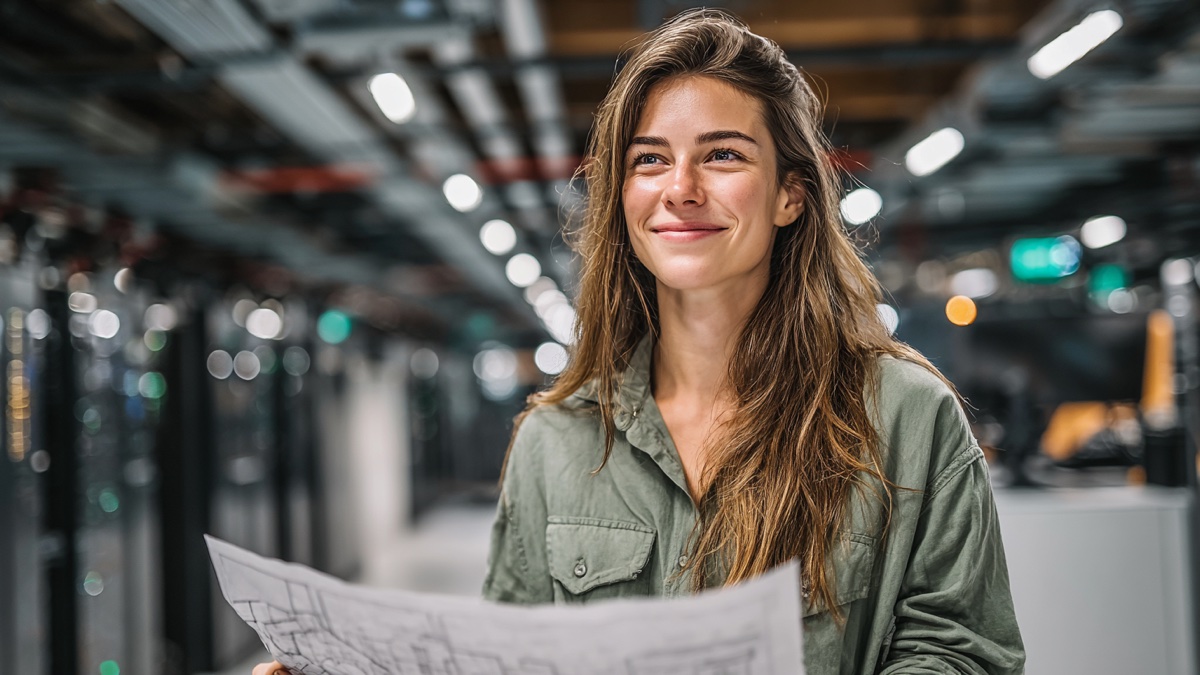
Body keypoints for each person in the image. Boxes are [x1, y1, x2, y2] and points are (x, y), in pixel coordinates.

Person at [256, 8, 1023, 675]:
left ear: (792, 193)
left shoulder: (905, 417)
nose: (680, 187)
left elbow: (966, 651)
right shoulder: (554, 444)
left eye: (722, 155)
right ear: (623, 197)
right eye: (649, 159)